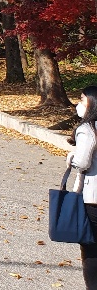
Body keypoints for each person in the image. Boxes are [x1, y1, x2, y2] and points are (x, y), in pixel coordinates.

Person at [68, 85, 97, 288]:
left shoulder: (87, 129)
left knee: (91, 246)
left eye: (81, 100)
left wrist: (71, 157)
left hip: (93, 197)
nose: (78, 104)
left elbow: (84, 161)